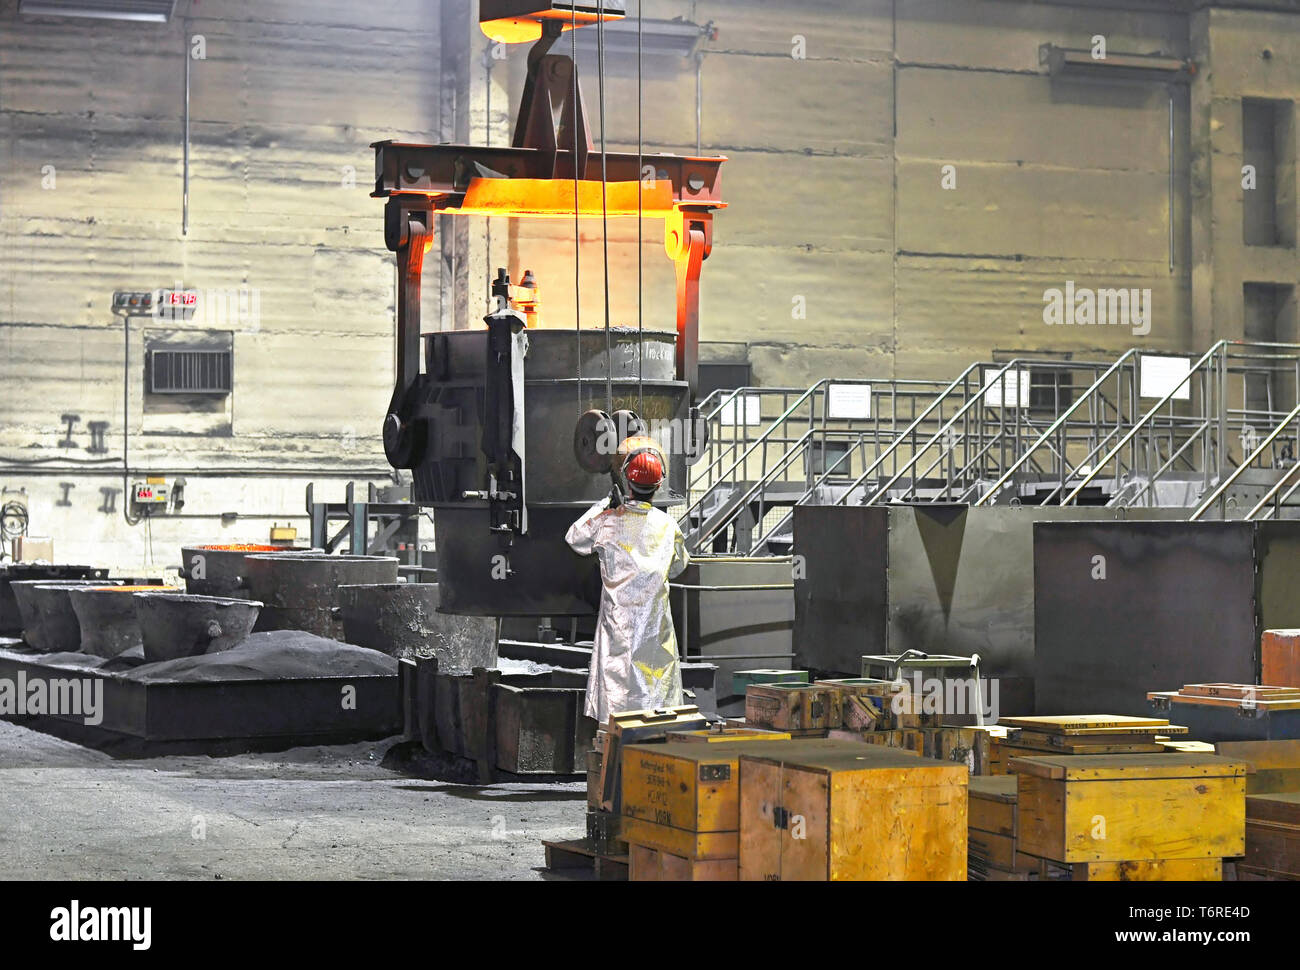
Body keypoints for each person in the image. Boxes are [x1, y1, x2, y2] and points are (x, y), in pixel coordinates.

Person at [565, 435, 690, 725]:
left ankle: (611, 759)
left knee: (615, 705)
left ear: (626, 481)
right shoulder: (668, 526)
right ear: (658, 486)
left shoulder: (609, 520)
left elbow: (574, 538)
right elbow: (678, 567)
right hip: (655, 633)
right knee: (656, 704)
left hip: (617, 631)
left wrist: (603, 505)